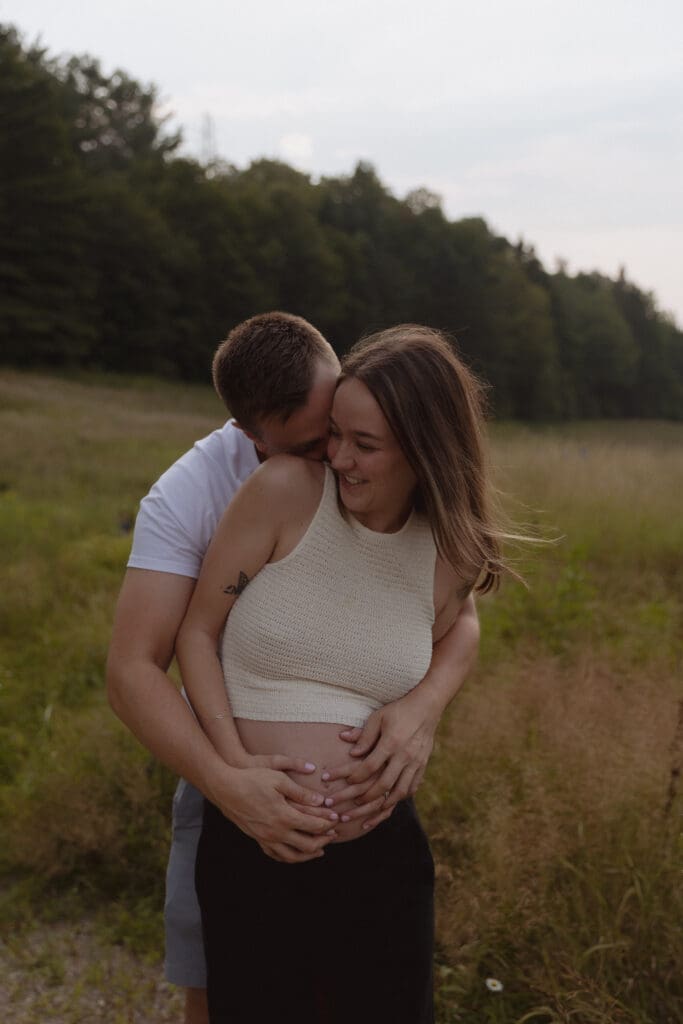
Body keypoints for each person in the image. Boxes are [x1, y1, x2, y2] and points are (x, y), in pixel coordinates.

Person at [106, 313, 480, 1024]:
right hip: (222, 778)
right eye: (321, 441)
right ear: (256, 437)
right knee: (215, 989)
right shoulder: (199, 496)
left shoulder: (430, 530)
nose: (334, 458)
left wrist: (423, 707)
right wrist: (227, 781)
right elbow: (135, 668)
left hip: (379, 857)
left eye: (351, 434)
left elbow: (457, 617)